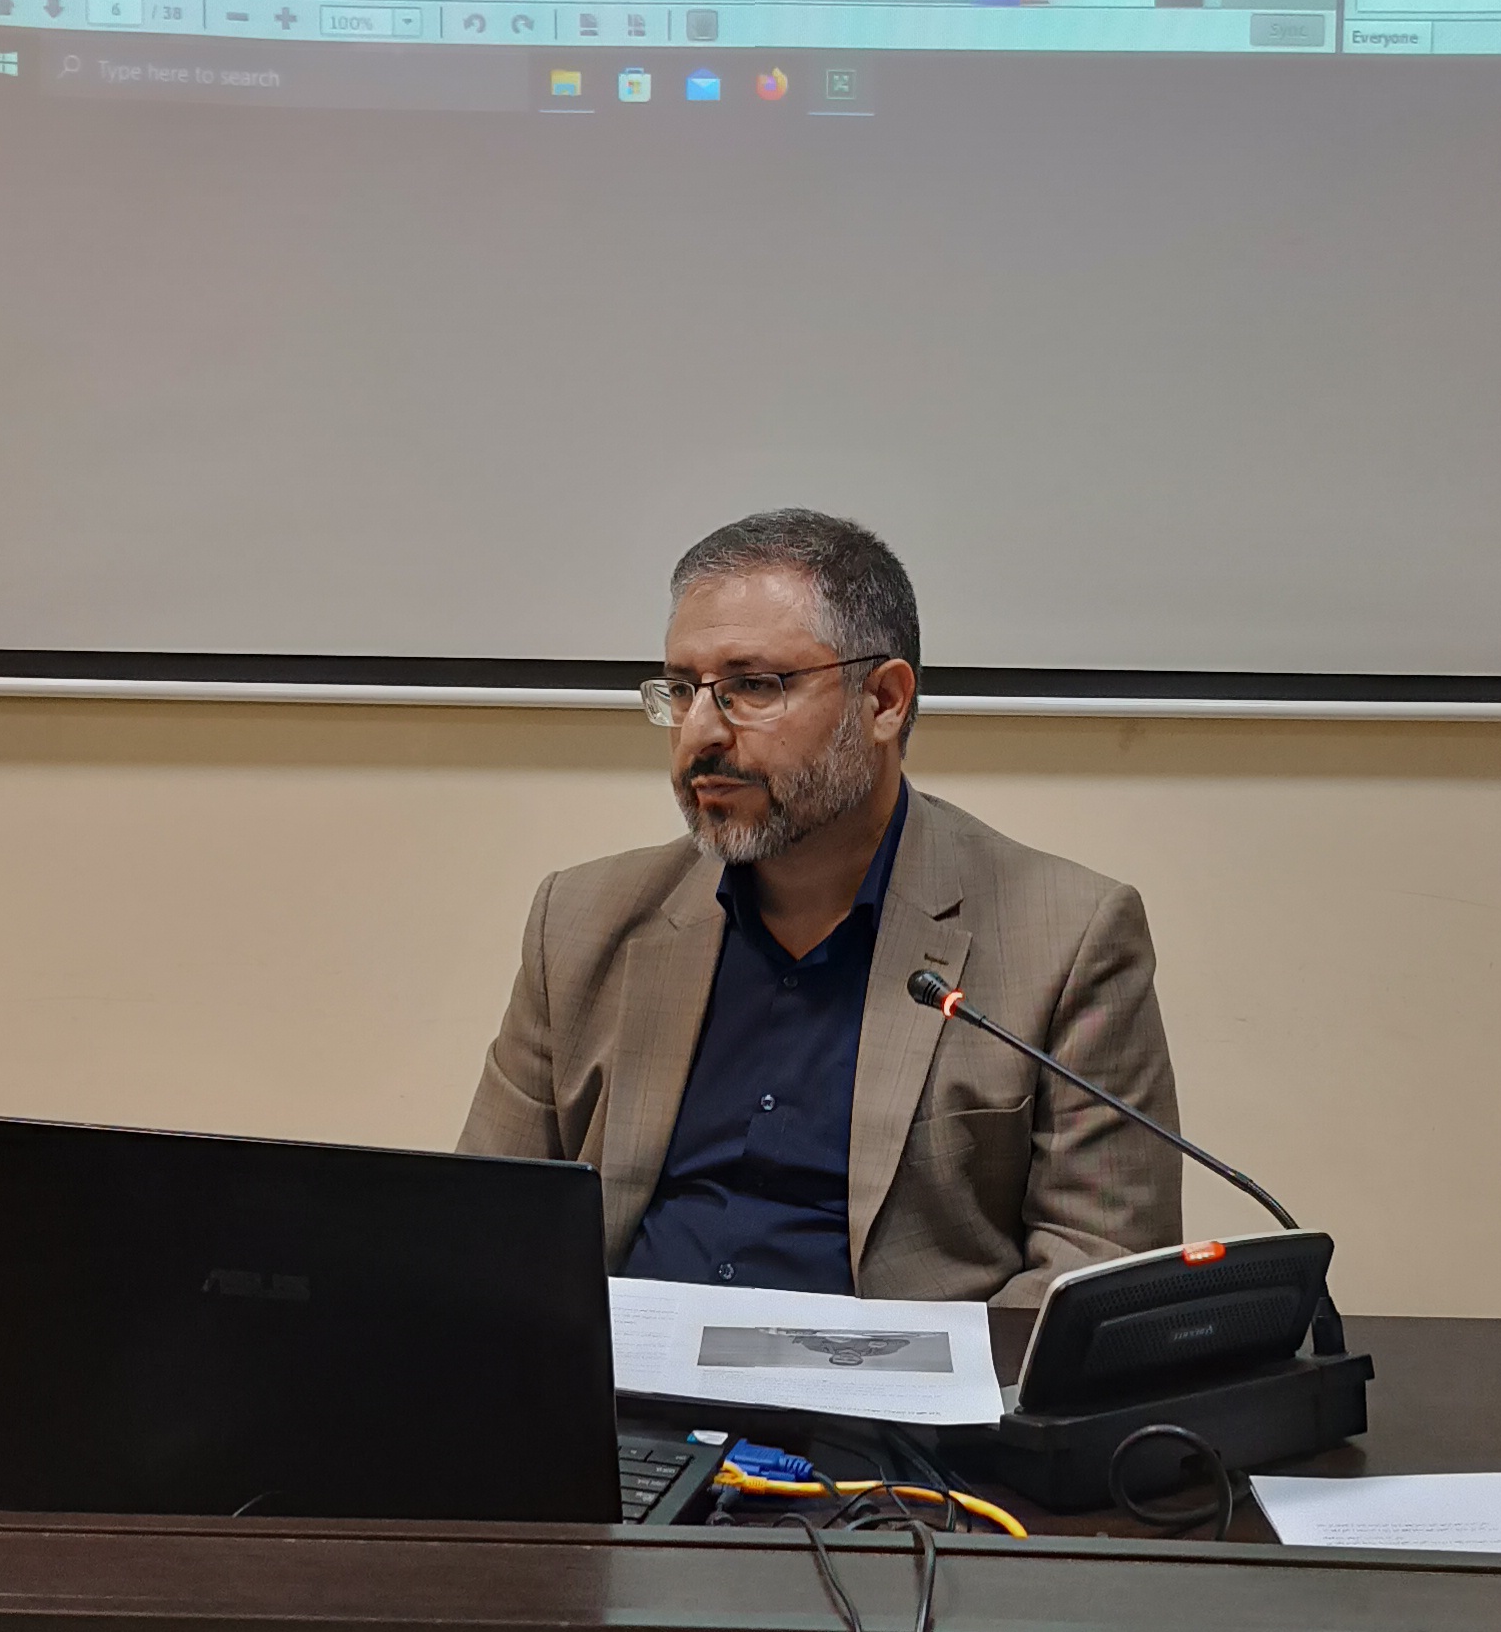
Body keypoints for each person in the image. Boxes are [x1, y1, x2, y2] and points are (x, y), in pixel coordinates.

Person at [460, 508, 1183, 1303]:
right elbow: (483, 1225)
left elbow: (1098, 1264)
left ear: (884, 701)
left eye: (752, 686)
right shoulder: (581, 920)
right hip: (622, 1375)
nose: (700, 732)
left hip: (890, 1381)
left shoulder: (1069, 938)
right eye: (682, 690)